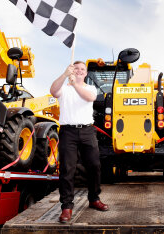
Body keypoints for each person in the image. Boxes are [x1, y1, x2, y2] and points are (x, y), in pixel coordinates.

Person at [50, 61, 109, 224]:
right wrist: (64, 75)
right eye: (76, 69)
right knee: (67, 169)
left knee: (94, 166)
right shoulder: (64, 88)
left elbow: (90, 97)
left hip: (87, 131)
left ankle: (94, 199)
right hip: (68, 131)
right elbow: (53, 91)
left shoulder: (89, 88)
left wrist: (75, 83)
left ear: (85, 73)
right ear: (72, 71)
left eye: (82, 69)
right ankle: (67, 207)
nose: (79, 71)